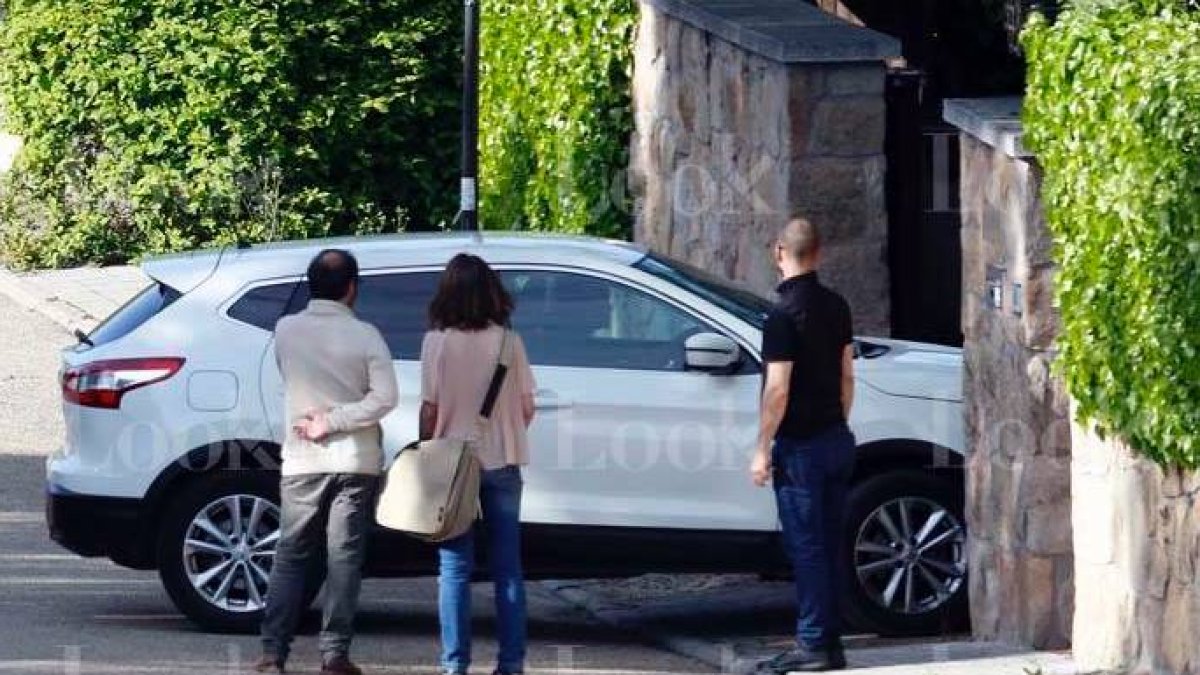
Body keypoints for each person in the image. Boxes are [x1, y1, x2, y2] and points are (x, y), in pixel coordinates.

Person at [257, 249, 399, 675]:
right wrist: (337, 420)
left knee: (291, 553)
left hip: (302, 460)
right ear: (351, 288)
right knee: (344, 557)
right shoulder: (368, 335)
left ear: (311, 285)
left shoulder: (285, 330)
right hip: (355, 461)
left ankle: (272, 653)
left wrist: (318, 422)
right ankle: (335, 653)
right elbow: (386, 398)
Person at [420, 253, 536, 675]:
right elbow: (526, 407)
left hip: (451, 466)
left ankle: (455, 665)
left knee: (453, 570)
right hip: (502, 459)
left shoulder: (436, 342)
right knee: (507, 569)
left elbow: (430, 410)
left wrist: (426, 445)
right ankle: (510, 665)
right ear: (491, 291)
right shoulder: (510, 342)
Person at [751, 218, 856, 673]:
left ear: (779, 252)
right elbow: (848, 374)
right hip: (836, 438)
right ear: (820, 253)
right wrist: (840, 421)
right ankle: (830, 642)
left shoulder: (780, 317)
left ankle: (813, 643)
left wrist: (761, 446)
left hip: (801, 447)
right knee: (830, 544)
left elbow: (778, 390)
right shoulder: (837, 306)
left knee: (807, 547)